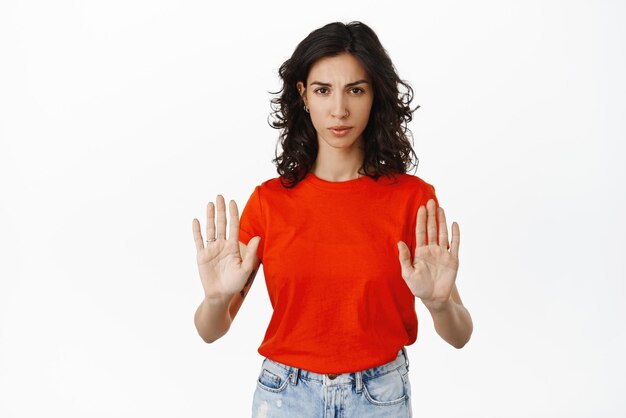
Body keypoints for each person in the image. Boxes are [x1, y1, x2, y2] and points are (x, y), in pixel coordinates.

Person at [192, 21, 473, 418]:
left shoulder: (413, 199)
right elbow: (210, 330)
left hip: (380, 396)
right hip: (285, 397)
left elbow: (460, 335)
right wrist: (216, 300)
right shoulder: (269, 202)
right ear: (303, 95)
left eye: (355, 90)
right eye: (323, 90)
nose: (339, 109)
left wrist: (441, 305)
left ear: (375, 95)